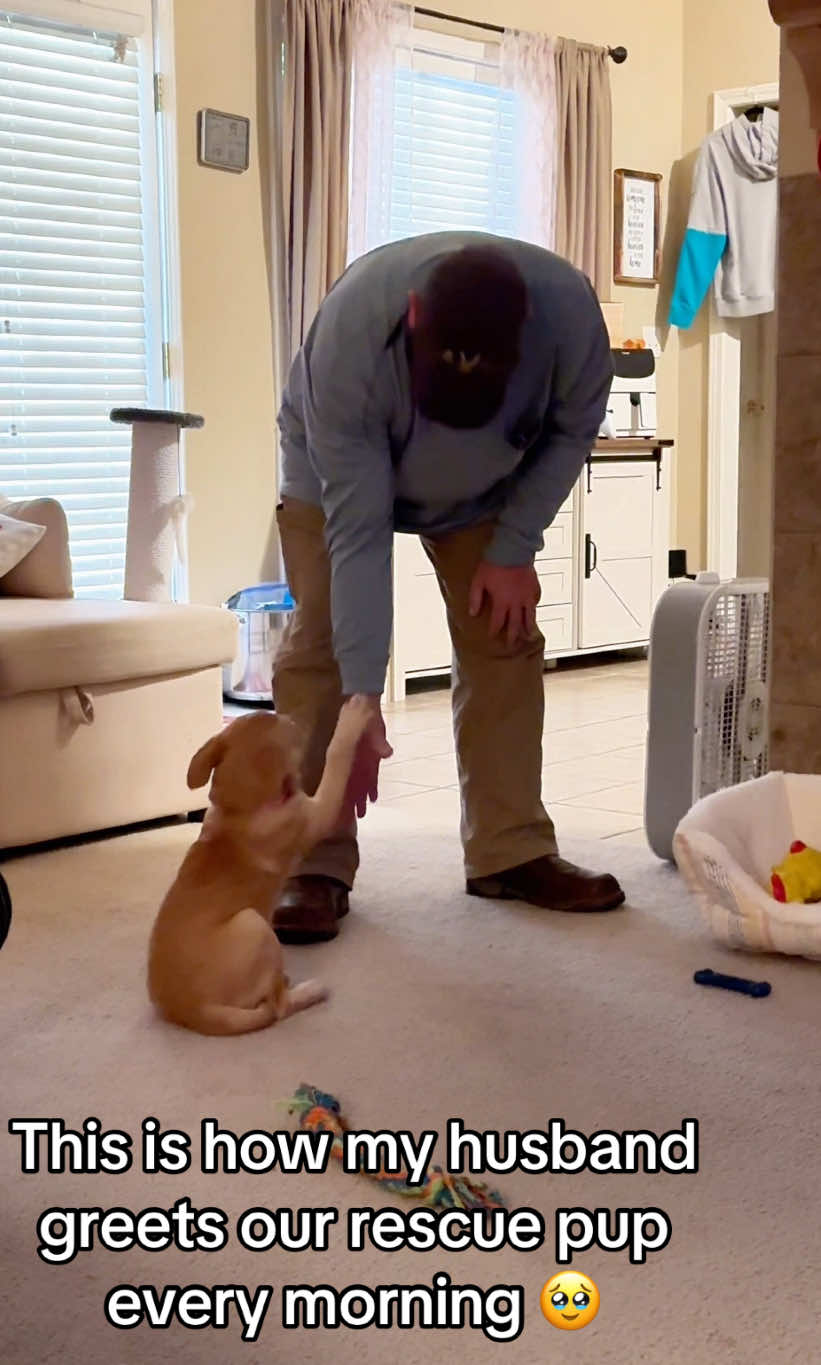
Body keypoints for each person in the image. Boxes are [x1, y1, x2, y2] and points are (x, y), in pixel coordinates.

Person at [271, 231, 625, 943]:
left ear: (528, 343)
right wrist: (364, 697)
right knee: (322, 648)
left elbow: (569, 432)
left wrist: (513, 545)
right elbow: (359, 536)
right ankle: (311, 861)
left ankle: (510, 850)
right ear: (410, 318)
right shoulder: (349, 343)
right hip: (337, 475)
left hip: (487, 490)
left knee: (505, 636)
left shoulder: (572, 324)